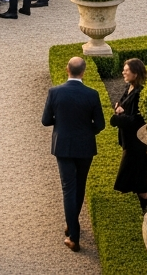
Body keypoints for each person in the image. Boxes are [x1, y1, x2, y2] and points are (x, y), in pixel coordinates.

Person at [41, 56, 106, 252]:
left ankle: (73, 235)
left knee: (68, 188)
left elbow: (46, 120)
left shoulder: (55, 92)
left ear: (67, 70)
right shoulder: (92, 94)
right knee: (80, 185)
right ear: (83, 72)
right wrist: (86, 133)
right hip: (85, 147)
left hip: (64, 146)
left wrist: (62, 123)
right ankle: (72, 224)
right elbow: (100, 125)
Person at [111, 58, 147, 212]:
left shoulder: (140, 92)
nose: (123, 72)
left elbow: (138, 121)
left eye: (126, 70)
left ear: (135, 73)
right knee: (136, 174)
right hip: (130, 141)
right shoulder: (130, 87)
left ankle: (143, 207)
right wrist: (120, 108)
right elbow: (123, 105)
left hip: (137, 143)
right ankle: (141, 206)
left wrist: (118, 117)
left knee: (138, 175)